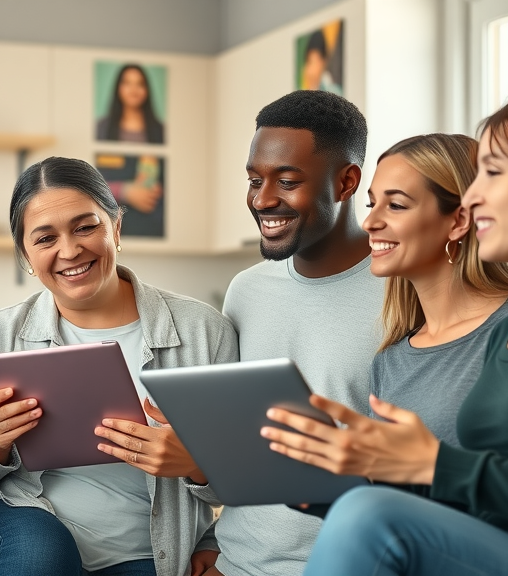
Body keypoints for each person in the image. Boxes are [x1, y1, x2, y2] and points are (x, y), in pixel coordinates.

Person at [264, 84, 508, 575]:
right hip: (495, 551)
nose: (473, 197)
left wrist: (434, 467)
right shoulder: (507, 335)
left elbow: (464, 479)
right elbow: (476, 499)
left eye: (493, 172)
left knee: (372, 516)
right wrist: (336, 488)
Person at [0, 156, 236, 576]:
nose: (70, 250)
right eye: (45, 239)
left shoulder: (203, 331)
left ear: (116, 228)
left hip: (145, 553)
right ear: (26, 255)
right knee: (38, 553)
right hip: (8, 525)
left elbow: (242, 474)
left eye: (86, 227)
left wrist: (194, 464)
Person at [204, 89, 383, 576]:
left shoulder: (406, 291)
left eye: (287, 181)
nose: (262, 200)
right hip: (237, 562)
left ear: (346, 182)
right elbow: (241, 437)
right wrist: (209, 542)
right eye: (254, 179)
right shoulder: (246, 290)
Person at [364, 133, 508, 447]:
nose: (369, 221)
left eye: (396, 205)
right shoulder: (389, 363)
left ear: (458, 221)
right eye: (371, 203)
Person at [96, 64, 165, 144]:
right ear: (118, 88)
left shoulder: (162, 130)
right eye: (127, 83)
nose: (133, 90)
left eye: (140, 84)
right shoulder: (101, 128)